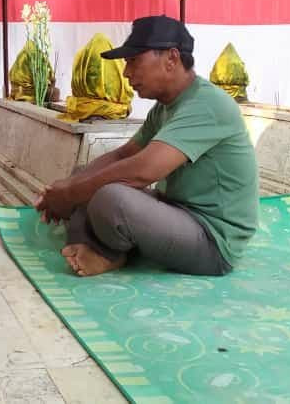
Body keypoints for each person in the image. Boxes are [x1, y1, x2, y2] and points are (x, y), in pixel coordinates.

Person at [34, 15, 259, 277]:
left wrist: (69, 195)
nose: (127, 72)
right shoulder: (165, 106)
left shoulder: (207, 104)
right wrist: (68, 186)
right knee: (85, 174)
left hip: (212, 239)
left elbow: (144, 170)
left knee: (110, 198)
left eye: (133, 61)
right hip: (176, 210)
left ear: (171, 59)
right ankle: (90, 246)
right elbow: (123, 154)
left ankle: (106, 253)